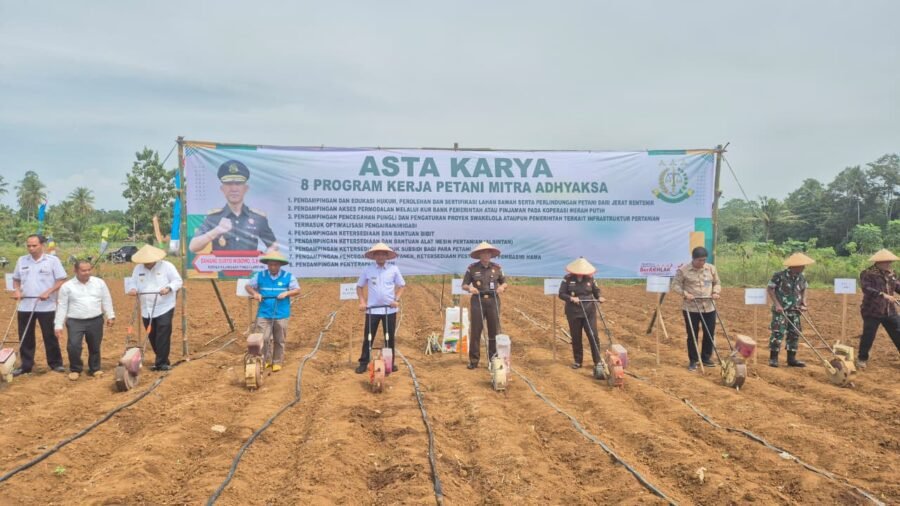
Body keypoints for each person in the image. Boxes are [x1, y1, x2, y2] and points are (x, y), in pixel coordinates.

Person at [188, 159, 278, 253]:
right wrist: (216, 231)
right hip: (222, 263)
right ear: (222, 189)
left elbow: (273, 245)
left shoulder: (258, 218)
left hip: (249, 263)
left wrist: (264, 257)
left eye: (238, 183)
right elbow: (193, 247)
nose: (234, 189)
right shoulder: (213, 218)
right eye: (229, 183)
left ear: (246, 188)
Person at [10, 234, 68, 376]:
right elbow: (16, 279)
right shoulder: (22, 260)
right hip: (25, 305)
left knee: (50, 336)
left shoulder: (52, 261)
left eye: (34, 245)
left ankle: (56, 364)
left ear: (42, 245)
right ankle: (26, 365)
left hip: (46, 306)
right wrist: (17, 291)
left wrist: (49, 292)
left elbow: (61, 279)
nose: (31, 248)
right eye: (28, 246)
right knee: (25, 336)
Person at [54, 260, 115, 380]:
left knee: (95, 346)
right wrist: (58, 325)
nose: (87, 272)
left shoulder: (99, 283)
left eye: (89, 270)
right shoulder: (67, 286)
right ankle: (75, 369)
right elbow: (62, 306)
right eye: (83, 270)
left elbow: (106, 299)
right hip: (75, 321)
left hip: (96, 319)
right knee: (73, 346)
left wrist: (110, 315)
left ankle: (95, 368)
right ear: (75, 271)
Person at [127, 245, 183, 371]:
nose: (147, 263)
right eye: (144, 261)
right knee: (151, 334)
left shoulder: (167, 266)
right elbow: (132, 282)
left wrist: (168, 288)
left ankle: (161, 363)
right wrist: (133, 289)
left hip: (164, 306)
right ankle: (162, 359)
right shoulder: (138, 268)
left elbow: (177, 281)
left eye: (149, 261)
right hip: (146, 307)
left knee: (163, 333)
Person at [245, 250, 301, 372]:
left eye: (275, 265)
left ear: (280, 265)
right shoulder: (260, 275)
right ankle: (266, 360)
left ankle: (277, 362)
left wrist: (286, 293)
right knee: (263, 338)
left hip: (281, 313)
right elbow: (248, 286)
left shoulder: (288, 276)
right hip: (264, 312)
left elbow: (297, 290)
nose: (273, 267)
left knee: (279, 339)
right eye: (270, 265)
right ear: (267, 265)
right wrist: (255, 294)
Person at [354, 243, 406, 374]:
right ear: (374, 256)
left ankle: (390, 363)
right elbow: (359, 287)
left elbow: (402, 285)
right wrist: (362, 302)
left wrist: (396, 300)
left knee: (389, 338)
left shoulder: (393, 269)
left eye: (383, 254)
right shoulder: (368, 270)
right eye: (378, 254)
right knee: (368, 337)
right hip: (372, 310)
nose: (380, 256)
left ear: (387, 256)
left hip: (389, 310)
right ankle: (363, 362)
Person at [671, 246, 722, 372]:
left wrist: (715, 292)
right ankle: (693, 360)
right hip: (691, 308)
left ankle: (706, 358)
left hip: (709, 306)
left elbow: (717, 283)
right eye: (700, 260)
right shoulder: (683, 270)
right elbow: (675, 285)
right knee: (692, 335)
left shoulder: (711, 269)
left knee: (709, 333)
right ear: (693, 259)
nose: (702, 262)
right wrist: (685, 294)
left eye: (704, 260)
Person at [462, 241, 508, 370]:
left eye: (489, 253)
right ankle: (473, 360)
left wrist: (502, 287)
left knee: (494, 331)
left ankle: (493, 360)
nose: (487, 255)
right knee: (476, 331)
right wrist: (470, 288)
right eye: (484, 253)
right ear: (479, 255)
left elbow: (504, 283)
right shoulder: (472, 268)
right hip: (478, 300)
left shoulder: (497, 268)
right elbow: (464, 285)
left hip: (493, 301)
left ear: (491, 255)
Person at [766, 252, 814, 368]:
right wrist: (777, 304)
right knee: (778, 332)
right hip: (781, 310)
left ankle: (791, 359)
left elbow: (804, 289)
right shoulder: (779, 276)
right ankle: (773, 358)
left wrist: (803, 302)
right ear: (794, 266)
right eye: (801, 266)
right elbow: (770, 289)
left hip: (795, 310)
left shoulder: (801, 277)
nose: (803, 267)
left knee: (794, 333)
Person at [558, 257, 606, 369]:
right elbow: (561, 294)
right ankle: (578, 361)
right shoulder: (567, 278)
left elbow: (596, 291)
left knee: (593, 335)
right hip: (573, 312)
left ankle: (597, 361)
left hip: (589, 311)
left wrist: (599, 297)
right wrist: (571, 298)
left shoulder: (590, 278)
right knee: (576, 336)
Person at [857, 249, 900, 369]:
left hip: (889, 310)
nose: (889, 264)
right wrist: (883, 295)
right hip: (872, 310)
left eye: (890, 262)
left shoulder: (891, 274)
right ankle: (862, 358)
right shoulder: (867, 273)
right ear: (879, 262)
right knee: (869, 335)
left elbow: (897, 286)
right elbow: (866, 289)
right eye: (887, 262)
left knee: (898, 332)